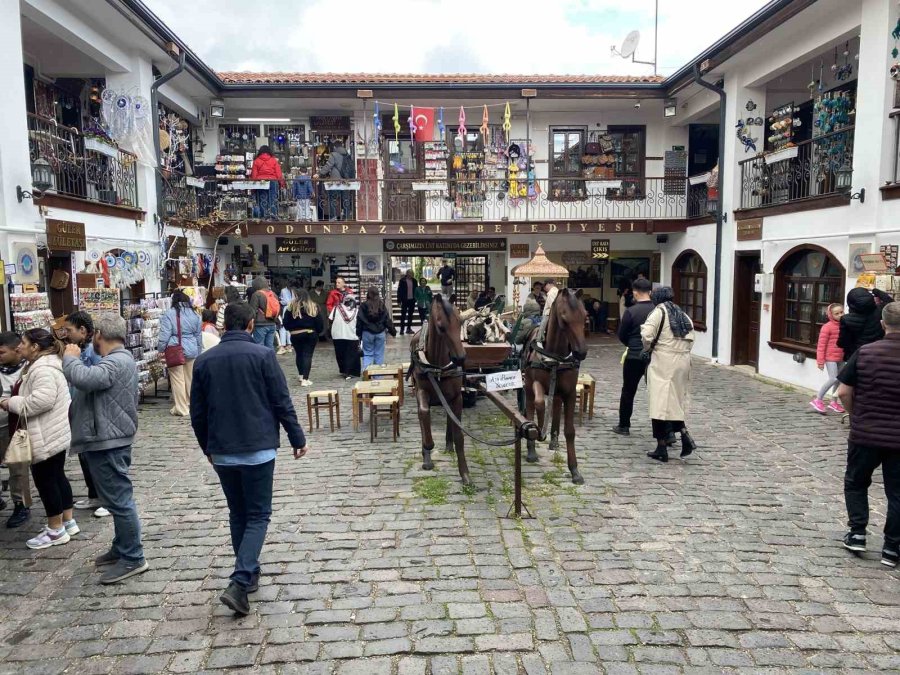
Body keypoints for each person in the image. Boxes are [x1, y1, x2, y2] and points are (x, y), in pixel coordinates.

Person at [190, 302, 309, 615]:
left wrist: (208, 448)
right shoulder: (263, 355)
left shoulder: (204, 361)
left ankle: (250, 571)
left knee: (238, 512)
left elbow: (197, 414)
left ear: (224, 325)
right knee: (257, 515)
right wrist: (297, 437)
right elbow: (281, 401)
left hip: (224, 452)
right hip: (258, 450)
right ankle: (241, 580)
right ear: (251, 326)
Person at [63, 315, 148, 583]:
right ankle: (122, 547)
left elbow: (86, 378)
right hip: (106, 436)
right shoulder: (119, 360)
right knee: (114, 499)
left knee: (120, 501)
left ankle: (133, 557)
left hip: (109, 439)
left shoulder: (116, 361)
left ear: (98, 334)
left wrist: (70, 357)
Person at [837, 302, 900, 568]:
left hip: (866, 432)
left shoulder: (865, 353)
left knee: (856, 481)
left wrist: (854, 415)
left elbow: (842, 392)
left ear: (883, 324)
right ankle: (892, 547)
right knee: (897, 492)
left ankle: (858, 532)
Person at [0, 329, 73, 550]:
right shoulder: (41, 365)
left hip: (45, 434)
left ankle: (55, 530)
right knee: (57, 477)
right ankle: (67, 522)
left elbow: (41, 401)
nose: (20, 346)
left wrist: (10, 403)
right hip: (51, 432)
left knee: (47, 481)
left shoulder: (43, 369)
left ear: (35, 346)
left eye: (23, 342)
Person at [62, 311, 109, 518]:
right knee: (85, 454)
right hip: (79, 406)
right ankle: (94, 494)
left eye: (69, 330)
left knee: (96, 455)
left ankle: (107, 498)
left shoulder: (93, 351)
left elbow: (95, 379)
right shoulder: (81, 349)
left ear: (82, 330)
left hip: (92, 409)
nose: (66, 334)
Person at [641, 287, 696, 462]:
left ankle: (661, 446)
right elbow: (691, 337)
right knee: (675, 401)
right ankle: (684, 434)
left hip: (664, 362)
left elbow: (647, 334)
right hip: (683, 361)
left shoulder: (659, 313)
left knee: (659, 403)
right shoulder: (682, 313)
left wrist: (648, 348)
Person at [612, 278, 655, 436]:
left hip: (634, 355)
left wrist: (631, 344)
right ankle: (667, 431)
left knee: (628, 391)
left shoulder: (631, 311)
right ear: (650, 292)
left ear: (635, 293)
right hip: (654, 356)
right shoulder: (657, 310)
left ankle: (624, 425)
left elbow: (622, 335)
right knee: (658, 392)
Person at [0, 332, 31, 529]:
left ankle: (21, 504)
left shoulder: (27, 370)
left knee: (17, 467)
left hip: (15, 424)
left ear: (16, 349)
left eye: (2, 352)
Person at [158, 290, 203, 417]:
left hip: (175, 348)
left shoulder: (169, 314)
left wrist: (161, 349)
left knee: (178, 379)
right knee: (190, 379)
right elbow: (198, 336)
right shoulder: (196, 315)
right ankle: (190, 404)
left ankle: (181, 408)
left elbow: (164, 335)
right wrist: (198, 351)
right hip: (192, 348)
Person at [839, 287, 894, 361]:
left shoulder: (846, 319)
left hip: (857, 356)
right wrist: (875, 290)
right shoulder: (880, 311)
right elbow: (890, 302)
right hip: (878, 354)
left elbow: (843, 343)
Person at [283, 289, 324, 387]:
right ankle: (305, 379)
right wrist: (318, 332)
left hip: (295, 334)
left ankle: (301, 375)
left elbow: (285, 323)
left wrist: (291, 329)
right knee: (307, 355)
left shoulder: (290, 307)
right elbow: (319, 323)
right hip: (309, 333)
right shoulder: (313, 307)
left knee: (299, 354)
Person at [811, 303, 846, 414]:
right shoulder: (827, 327)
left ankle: (834, 402)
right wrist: (820, 361)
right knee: (833, 378)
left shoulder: (845, 325)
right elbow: (821, 345)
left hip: (841, 356)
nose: (840, 315)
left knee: (840, 379)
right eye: (837, 313)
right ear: (831, 315)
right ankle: (818, 399)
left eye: (841, 312)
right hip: (830, 357)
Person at [358, 287, 396, 372]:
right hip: (380, 332)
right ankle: (377, 376)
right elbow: (387, 319)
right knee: (379, 355)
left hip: (367, 332)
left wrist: (358, 334)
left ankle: (366, 374)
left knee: (367, 354)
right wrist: (392, 331)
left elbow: (359, 320)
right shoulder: (381, 305)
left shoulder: (363, 306)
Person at [313, 141, 352, 220]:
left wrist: (319, 174)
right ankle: (347, 217)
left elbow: (328, 166)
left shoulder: (333, 155)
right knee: (345, 199)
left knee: (333, 199)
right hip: (346, 180)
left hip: (336, 181)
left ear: (334, 147)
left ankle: (333, 217)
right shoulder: (348, 155)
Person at [249, 145, 285, 220]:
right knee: (273, 199)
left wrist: (253, 188)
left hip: (261, 182)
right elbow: (279, 173)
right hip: (273, 181)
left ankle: (263, 217)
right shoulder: (274, 160)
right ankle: (273, 216)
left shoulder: (256, 161)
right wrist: (281, 184)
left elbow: (254, 175)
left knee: (262, 199)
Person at [330, 291, 361, 380]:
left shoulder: (336, 308)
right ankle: (351, 372)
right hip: (352, 335)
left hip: (338, 335)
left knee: (340, 354)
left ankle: (343, 370)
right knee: (351, 354)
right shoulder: (357, 311)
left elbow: (331, 319)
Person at [248, 276, 279, 349]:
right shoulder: (274, 294)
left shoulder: (256, 294)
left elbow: (253, 311)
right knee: (270, 346)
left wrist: (250, 324)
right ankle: (270, 360)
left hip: (260, 325)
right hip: (272, 324)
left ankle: (260, 360)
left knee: (259, 346)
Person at [277, 284, 296, 356]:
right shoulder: (285, 290)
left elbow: (285, 301)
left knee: (285, 327)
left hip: (288, 309)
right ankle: (287, 345)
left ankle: (285, 345)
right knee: (285, 327)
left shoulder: (290, 291)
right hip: (287, 309)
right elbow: (286, 301)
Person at [397, 270, 417, 335]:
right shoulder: (402, 280)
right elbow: (399, 291)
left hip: (412, 300)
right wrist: (399, 300)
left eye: (412, 273)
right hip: (404, 300)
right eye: (410, 273)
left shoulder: (414, 281)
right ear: (407, 274)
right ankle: (402, 329)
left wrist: (416, 298)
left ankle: (409, 328)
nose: (411, 274)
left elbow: (416, 290)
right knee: (403, 315)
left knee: (410, 315)